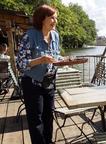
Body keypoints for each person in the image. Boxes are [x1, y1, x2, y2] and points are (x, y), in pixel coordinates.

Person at [16, 4, 61, 144]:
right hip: (32, 84)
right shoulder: (29, 36)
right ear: (42, 18)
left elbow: (56, 57)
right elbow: (20, 64)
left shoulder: (55, 35)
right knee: (36, 121)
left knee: (49, 118)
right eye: (52, 17)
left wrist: (62, 61)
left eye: (56, 18)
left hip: (49, 83)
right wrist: (40, 60)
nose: (55, 21)